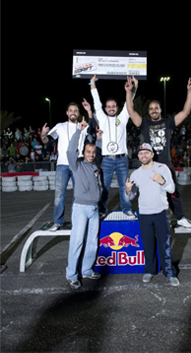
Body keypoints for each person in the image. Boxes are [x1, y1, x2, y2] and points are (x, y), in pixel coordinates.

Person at [125, 76, 191, 228]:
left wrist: (190, 93)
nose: (154, 110)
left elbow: (186, 111)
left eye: (156, 108)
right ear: (149, 112)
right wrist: (129, 92)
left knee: (173, 192)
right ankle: (160, 217)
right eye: (151, 108)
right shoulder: (144, 123)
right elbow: (130, 111)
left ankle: (180, 217)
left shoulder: (168, 122)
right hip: (149, 165)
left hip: (165, 164)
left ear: (160, 110)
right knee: (151, 193)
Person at [125, 143, 179, 286]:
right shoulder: (135, 174)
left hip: (161, 212)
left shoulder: (162, 168)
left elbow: (172, 188)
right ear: (138, 156)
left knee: (165, 244)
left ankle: (170, 272)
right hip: (144, 213)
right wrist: (128, 190)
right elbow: (131, 197)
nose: (144, 155)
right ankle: (150, 270)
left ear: (152, 154)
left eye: (146, 153)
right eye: (141, 153)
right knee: (148, 244)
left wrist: (161, 181)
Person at [89, 74, 136, 218]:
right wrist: (92, 84)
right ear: (105, 108)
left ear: (117, 107)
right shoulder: (102, 118)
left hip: (122, 159)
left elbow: (130, 103)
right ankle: (102, 209)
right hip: (106, 160)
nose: (111, 108)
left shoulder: (122, 118)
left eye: (113, 106)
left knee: (124, 187)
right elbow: (96, 103)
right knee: (104, 187)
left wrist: (133, 88)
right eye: (108, 106)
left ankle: (126, 209)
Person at [65, 119, 102, 289]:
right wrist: (79, 131)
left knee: (92, 242)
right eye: (88, 151)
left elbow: (99, 152)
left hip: (94, 209)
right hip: (80, 208)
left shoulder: (95, 166)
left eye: (93, 152)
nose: (91, 154)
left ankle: (86, 270)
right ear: (83, 152)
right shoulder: (77, 165)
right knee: (77, 241)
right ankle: (72, 275)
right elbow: (70, 150)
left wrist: (99, 139)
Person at [40, 102, 85, 231]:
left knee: (78, 195)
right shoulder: (60, 126)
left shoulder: (83, 126)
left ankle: (76, 221)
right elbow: (47, 140)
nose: (73, 112)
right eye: (71, 110)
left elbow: (93, 135)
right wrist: (43, 135)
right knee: (59, 195)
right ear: (67, 113)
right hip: (62, 165)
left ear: (78, 113)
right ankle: (58, 222)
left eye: (75, 110)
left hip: (78, 164)